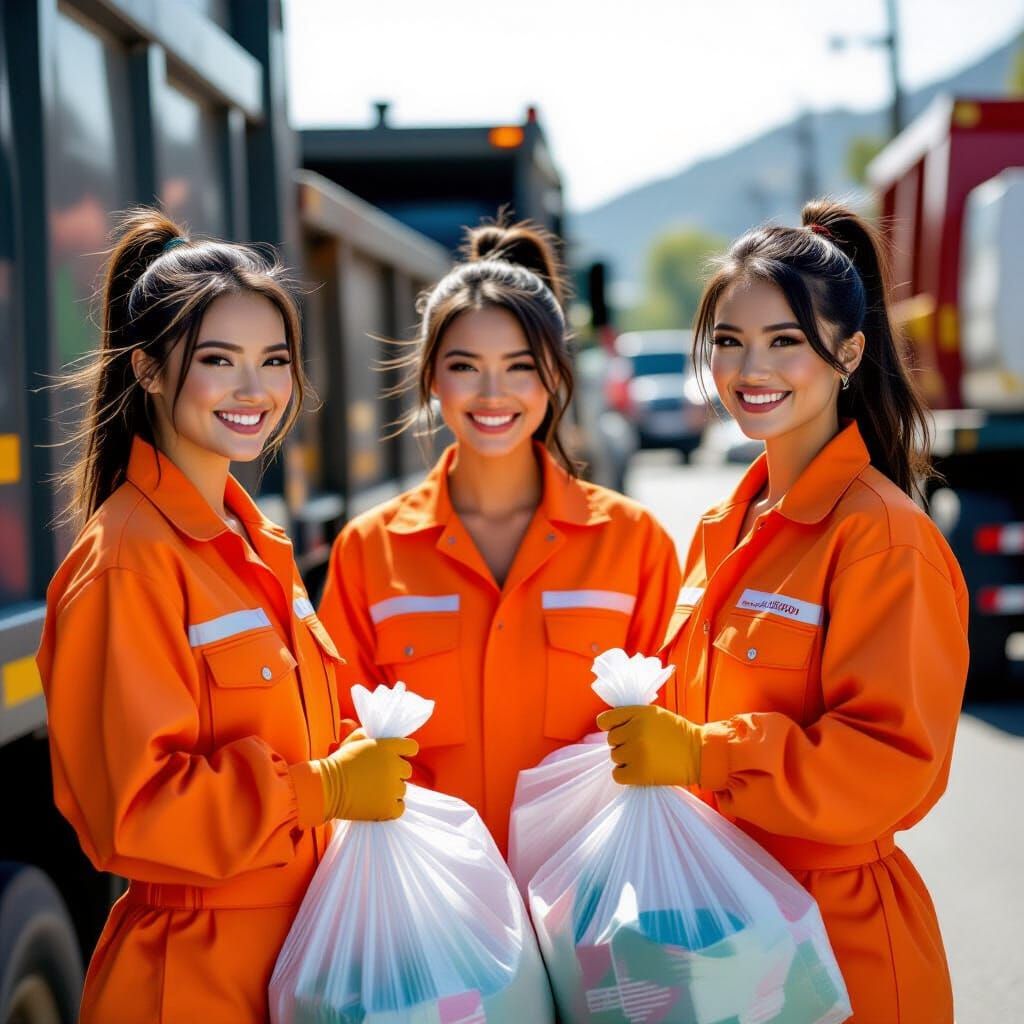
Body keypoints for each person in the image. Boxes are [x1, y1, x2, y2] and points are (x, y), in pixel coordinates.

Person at [36, 209, 416, 1022]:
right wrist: (320, 790)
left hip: (299, 962)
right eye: (219, 360)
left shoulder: (253, 546)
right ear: (147, 369)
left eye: (274, 360)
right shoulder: (129, 563)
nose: (256, 390)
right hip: (193, 981)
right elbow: (133, 813)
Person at [598, 200, 968, 1023]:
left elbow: (890, 766)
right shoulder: (724, 528)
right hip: (731, 939)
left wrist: (705, 756)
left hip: (841, 946)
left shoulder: (880, 538)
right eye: (729, 343)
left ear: (850, 352)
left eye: (784, 342)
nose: (750, 369)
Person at [318, 220, 681, 854]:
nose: (493, 394)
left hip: (592, 911)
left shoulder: (633, 542)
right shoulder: (369, 549)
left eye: (520, 367)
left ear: (554, 377)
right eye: (466, 366)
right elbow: (336, 740)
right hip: (436, 917)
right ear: (433, 378)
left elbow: (678, 733)